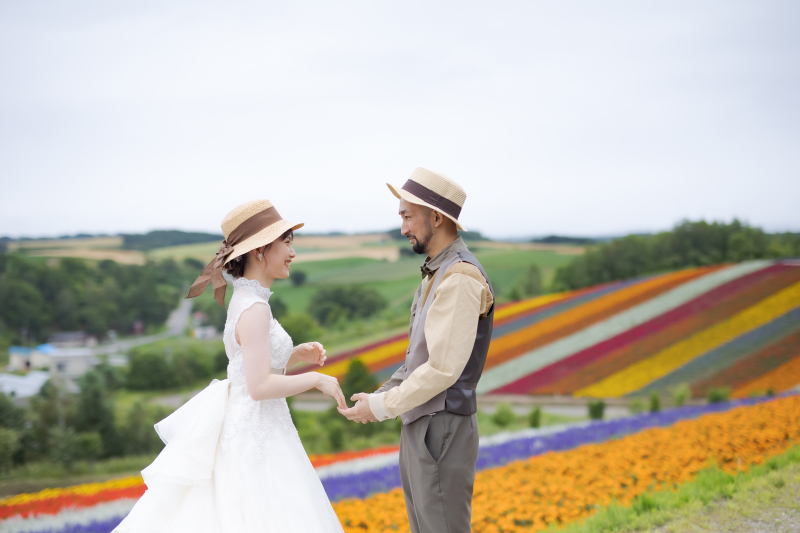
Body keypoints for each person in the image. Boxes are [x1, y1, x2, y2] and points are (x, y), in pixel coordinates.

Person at [115, 199, 346, 533]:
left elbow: (247, 360)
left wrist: (294, 353)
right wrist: (316, 380)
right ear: (259, 251)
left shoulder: (248, 300)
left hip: (257, 428)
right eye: (286, 242)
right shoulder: (254, 308)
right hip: (258, 436)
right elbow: (259, 386)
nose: (292, 252)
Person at [339, 168, 495, 533]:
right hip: (422, 423)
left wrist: (380, 407)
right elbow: (417, 360)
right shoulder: (436, 273)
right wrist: (378, 397)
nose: (404, 227)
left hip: (441, 426)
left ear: (436, 218)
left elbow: (442, 369)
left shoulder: (459, 277)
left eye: (408, 216)